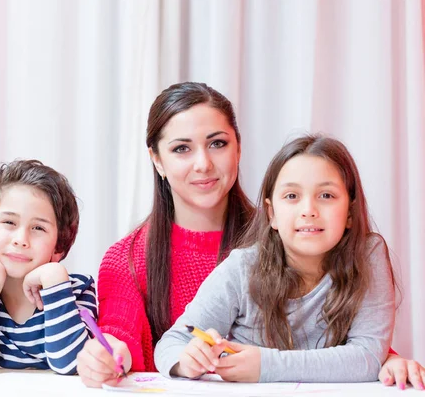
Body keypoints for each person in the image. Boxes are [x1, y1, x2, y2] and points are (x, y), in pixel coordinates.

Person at [76, 82, 424, 389]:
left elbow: (344, 334)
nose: (203, 164)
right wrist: (109, 355)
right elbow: (123, 338)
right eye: (182, 148)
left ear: (238, 148)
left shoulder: (295, 233)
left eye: (217, 143)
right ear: (157, 160)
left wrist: (383, 358)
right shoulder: (130, 258)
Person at [154, 135, 394, 383]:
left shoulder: (367, 254)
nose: (308, 210)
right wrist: (187, 360)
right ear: (272, 214)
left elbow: (368, 356)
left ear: (350, 213)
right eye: (291, 196)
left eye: (326, 196)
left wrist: (266, 365)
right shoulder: (241, 269)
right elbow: (172, 343)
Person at [0, 160, 97, 375]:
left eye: (38, 228)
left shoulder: (74, 290)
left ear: (59, 245)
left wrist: (54, 277)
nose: (21, 239)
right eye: (9, 223)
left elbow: (72, 363)